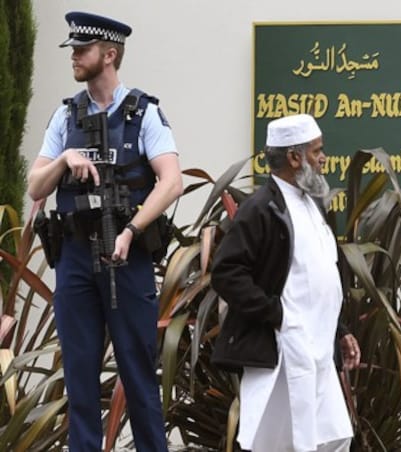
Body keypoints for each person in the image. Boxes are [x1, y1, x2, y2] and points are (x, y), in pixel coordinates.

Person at [26, 11, 183, 452]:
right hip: (75, 257)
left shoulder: (144, 112)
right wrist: (63, 160)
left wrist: (132, 229)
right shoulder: (66, 116)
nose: (74, 57)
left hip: (126, 257)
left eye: (82, 50)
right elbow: (35, 185)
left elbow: (172, 181)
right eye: (73, 50)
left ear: (109, 55)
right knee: (78, 376)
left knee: (137, 374)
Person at [210, 114, 361, 452]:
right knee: (283, 444)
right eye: (317, 151)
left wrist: (341, 330)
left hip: (318, 349)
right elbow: (226, 271)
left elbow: (319, 277)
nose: (324, 158)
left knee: (332, 438)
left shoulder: (312, 205)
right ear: (295, 157)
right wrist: (275, 314)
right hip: (284, 349)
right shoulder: (261, 209)